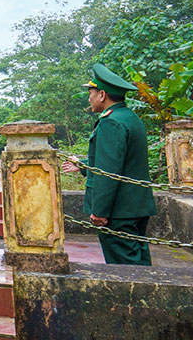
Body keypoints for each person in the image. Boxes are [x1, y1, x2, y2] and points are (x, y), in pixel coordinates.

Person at [61, 64, 157, 265]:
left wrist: (100, 211)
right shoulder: (130, 118)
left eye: (91, 93)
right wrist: (84, 165)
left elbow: (108, 172)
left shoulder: (110, 122)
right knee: (139, 261)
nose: (89, 98)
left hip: (118, 211)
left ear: (102, 95)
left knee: (124, 267)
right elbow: (120, 160)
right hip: (135, 206)